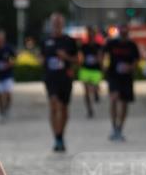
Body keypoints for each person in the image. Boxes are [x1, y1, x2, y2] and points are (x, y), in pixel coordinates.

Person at [41, 13, 78, 152]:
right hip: (51, 78)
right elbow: (41, 57)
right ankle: (56, 137)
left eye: (59, 23)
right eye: (54, 23)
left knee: (64, 109)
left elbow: (77, 60)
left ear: (63, 24)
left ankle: (61, 135)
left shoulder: (69, 41)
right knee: (54, 105)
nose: (56, 25)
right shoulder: (46, 40)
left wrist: (65, 57)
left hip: (65, 79)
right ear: (51, 24)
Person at [104, 23, 140, 141]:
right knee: (114, 98)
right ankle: (114, 126)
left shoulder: (131, 45)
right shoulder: (112, 43)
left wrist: (130, 67)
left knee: (124, 103)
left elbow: (136, 60)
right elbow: (103, 54)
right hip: (114, 76)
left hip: (126, 77)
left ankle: (120, 128)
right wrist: (103, 66)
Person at [78, 25, 103, 118]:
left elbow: (101, 58)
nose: (90, 35)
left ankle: (96, 92)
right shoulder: (83, 46)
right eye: (88, 33)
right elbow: (80, 57)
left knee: (94, 87)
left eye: (91, 33)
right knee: (86, 91)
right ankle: (89, 109)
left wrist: (100, 64)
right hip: (86, 69)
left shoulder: (98, 46)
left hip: (95, 70)